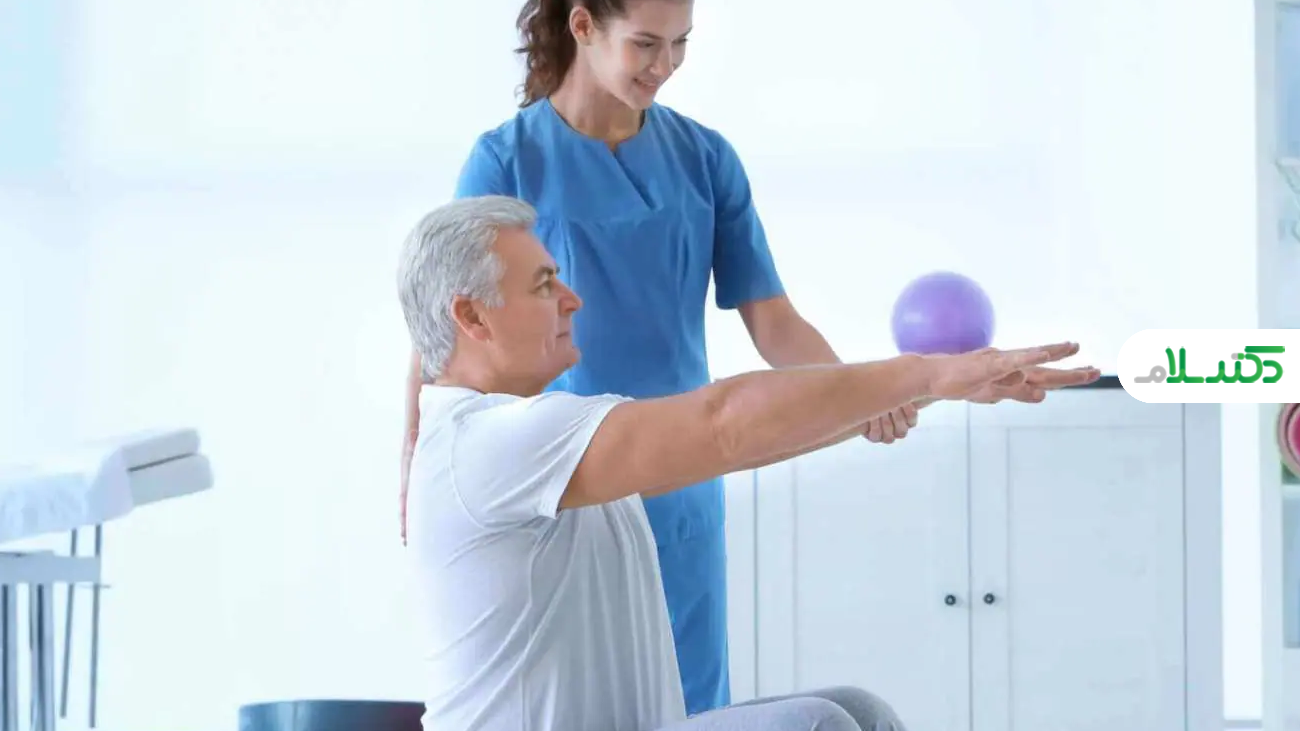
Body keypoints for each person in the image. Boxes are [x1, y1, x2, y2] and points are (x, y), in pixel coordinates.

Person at [398, 0, 1097, 715]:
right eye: (645, 43)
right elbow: (449, 316)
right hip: (569, 476)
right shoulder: (508, 160)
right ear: (583, 27)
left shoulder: (702, 158)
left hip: (688, 484)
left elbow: (773, 322)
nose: (665, 65)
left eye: (681, 43)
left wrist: (884, 395)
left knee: (697, 700)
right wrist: (418, 464)